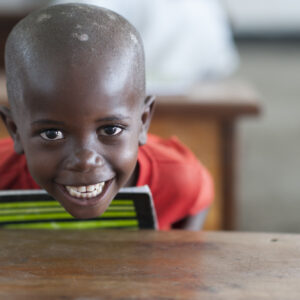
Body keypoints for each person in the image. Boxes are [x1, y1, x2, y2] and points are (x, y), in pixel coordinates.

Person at [0, 3, 213, 230]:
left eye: (110, 129)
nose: (85, 161)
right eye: (52, 134)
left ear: (143, 122)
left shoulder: (175, 179)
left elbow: (199, 194)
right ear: (16, 131)